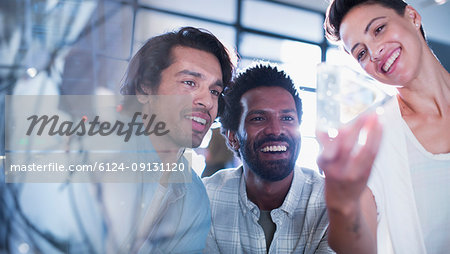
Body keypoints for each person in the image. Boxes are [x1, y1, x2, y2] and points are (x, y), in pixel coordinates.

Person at [2, 26, 234, 253]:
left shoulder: (195, 195)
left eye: (214, 91)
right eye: (190, 83)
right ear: (145, 89)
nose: (208, 101)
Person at [318, 0, 450, 253]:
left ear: (412, 16)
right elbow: (358, 246)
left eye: (378, 29)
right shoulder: (373, 140)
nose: (375, 52)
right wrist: (341, 206)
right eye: (361, 53)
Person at [202, 64, 334, 253]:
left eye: (287, 118)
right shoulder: (206, 199)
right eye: (258, 118)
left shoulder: (329, 202)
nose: (276, 130)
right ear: (233, 138)